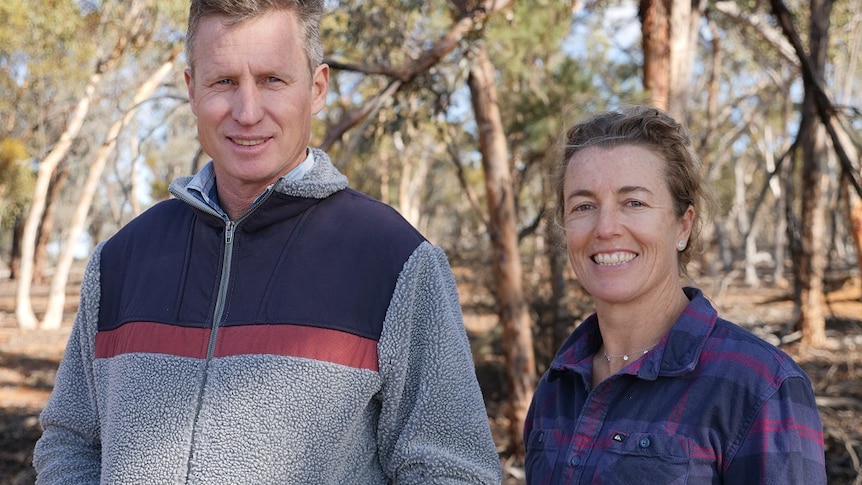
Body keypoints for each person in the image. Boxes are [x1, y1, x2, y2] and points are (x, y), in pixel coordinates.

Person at [33, 1, 502, 483]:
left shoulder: (397, 260)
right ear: (192, 89)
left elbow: (453, 469)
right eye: (224, 82)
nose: (247, 111)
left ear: (316, 88)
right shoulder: (120, 260)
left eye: (273, 80)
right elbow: (71, 440)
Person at [523, 106, 826, 484]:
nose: (605, 228)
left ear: (683, 225)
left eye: (634, 202)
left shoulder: (759, 386)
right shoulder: (558, 385)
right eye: (584, 206)